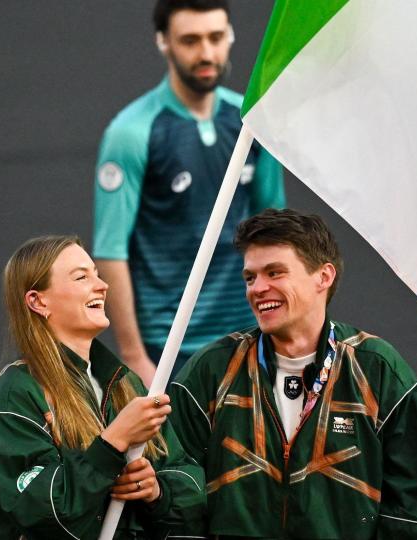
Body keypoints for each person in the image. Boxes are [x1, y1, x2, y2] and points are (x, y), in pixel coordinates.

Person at [169, 209, 417, 539]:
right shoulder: (211, 370)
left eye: (275, 273)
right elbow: (177, 492)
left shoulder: (378, 368)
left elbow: (414, 511)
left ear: (323, 277)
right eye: (250, 277)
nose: (258, 288)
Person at [0, 236, 206, 539]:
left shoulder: (125, 383)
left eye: (97, 274)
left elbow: (189, 484)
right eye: (81, 277)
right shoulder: (14, 396)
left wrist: (155, 490)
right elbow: (42, 511)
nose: (101, 285)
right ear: (37, 301)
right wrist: (113, 442)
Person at [93, 0, 285, 386]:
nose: (207, 53)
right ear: (164, 42)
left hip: (249, 336)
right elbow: (110, 251)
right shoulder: (131, 132)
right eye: (190, 40)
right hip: (168, 348)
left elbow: (276, 232)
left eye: (216, 37)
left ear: (230, 35)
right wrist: (134, 356)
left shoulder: (252, 122)